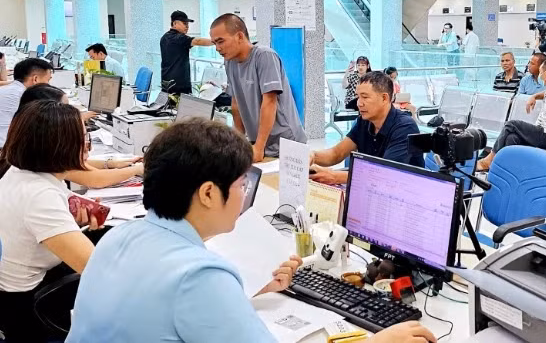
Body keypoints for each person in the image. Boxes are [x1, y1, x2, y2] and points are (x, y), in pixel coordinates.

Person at [67, 118, 436, 342]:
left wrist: (248, 293)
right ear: (209, 193)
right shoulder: (200, 276)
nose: (245, 192)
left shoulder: (117, 237)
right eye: (241, 183)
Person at [0, 100, 99, 342]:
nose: (88, 147)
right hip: (27, 308)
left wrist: (71, 226)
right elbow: (97, 270)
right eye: (85, 138)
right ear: (63, 146)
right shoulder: (40, 196)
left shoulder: (17, 171)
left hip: (14, 289)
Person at [212, 13, 307, 162]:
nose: (217, 48)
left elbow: (269, 102)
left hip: (285, 142)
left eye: (221, 41)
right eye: (214, 43)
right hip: (258, 141)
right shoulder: (229, 62)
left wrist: (259, 147)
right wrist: (239, 142)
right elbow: (236, 104)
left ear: (239, 36)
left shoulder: (264, 56)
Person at [17, 84, 144, 188]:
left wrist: (111, 163)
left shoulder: (26, 137)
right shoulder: (45, 150)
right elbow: (95, 178)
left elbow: (77, 164)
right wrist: (137, 169)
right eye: (64, 107)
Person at [310, 72, 424, 185]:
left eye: (365, 97)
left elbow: (385, 174)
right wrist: (313, 156)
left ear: (384, 98)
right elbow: (337, 153)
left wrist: (335, 176)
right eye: (358, 97)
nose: (359, 103)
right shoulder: (364, 121)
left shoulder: (405, 127)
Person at [476, 59, 546, 171]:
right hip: (542, 133)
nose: (540, 76)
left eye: (541, 73)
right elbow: (545, 94)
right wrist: (534, 96)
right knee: (512, 138)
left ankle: (489, 160)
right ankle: (505, 170)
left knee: (511, 125)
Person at [0, 57, 53, 147]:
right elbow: (56, 122)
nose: (49, 85)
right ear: (35, 79)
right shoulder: (27, 96)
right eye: (48, 80)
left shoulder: (5, 89)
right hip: (7, 148)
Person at [160, 10, 214, 95]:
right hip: (179, 85)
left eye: (188, 24)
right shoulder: (179, 38)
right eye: (184, 24)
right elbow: (197, 41)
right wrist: (217, 41)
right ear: (174, 24)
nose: (187, 26)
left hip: (166, 81)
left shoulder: (165, 37)